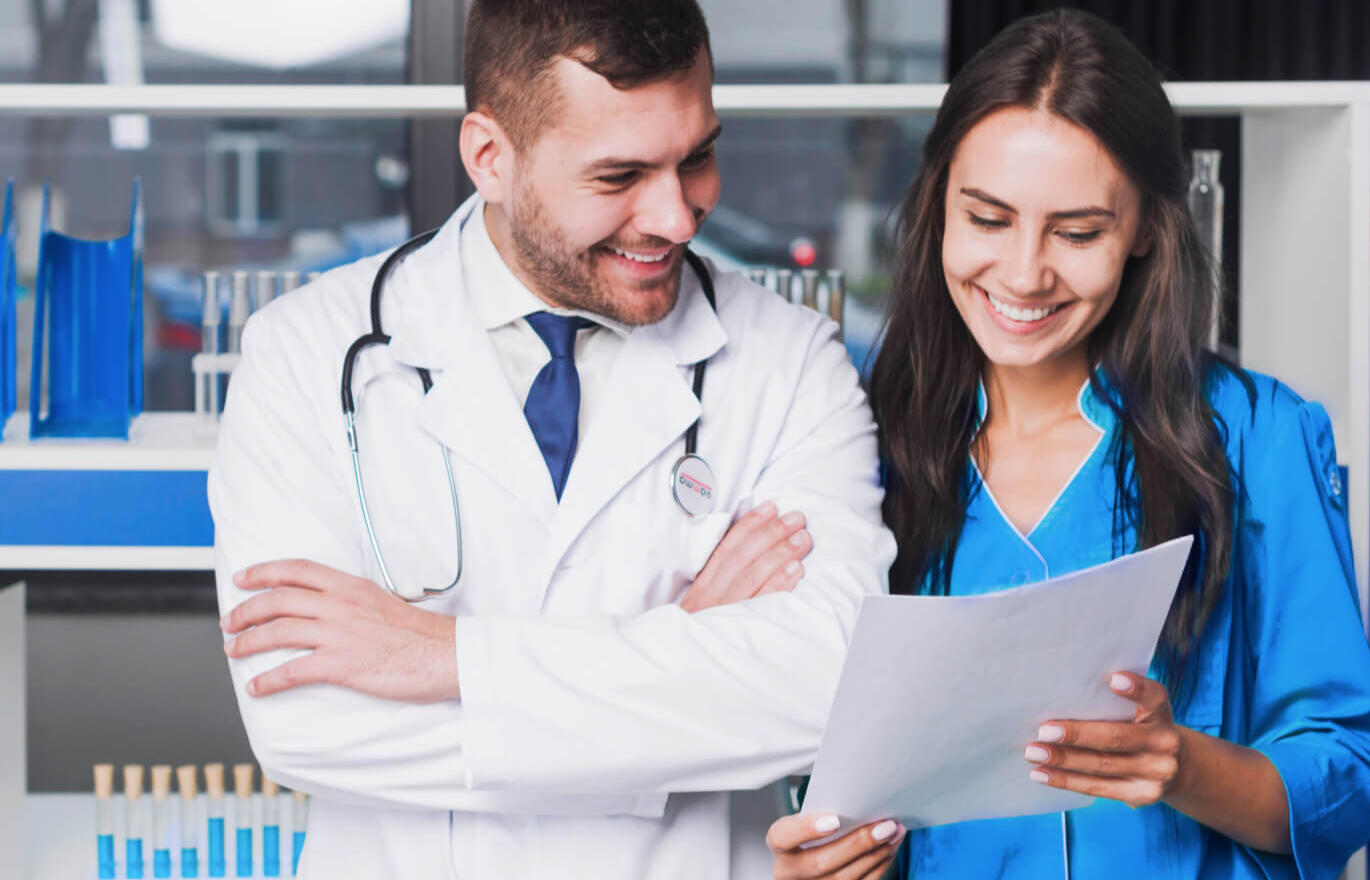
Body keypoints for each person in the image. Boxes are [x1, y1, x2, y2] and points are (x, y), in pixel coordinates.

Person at [207, 1, 895, 878]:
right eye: (619, 177)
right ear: (490, 158)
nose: (680, 217)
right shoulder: (304, 352)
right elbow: (305, 727)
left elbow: (831, 688)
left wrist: (447, 657)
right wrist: (683, 652)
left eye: (699, 158)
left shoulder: (790, 361)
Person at [762, 9, 1370, 880]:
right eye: (986, 218)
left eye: (1079, 232)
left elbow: (1354, 778)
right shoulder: (858, 445)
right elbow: (806, 767)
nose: (1024, 275)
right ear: (938, 203)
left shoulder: (1257, 438)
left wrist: (1183, 764)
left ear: (1143, 232)